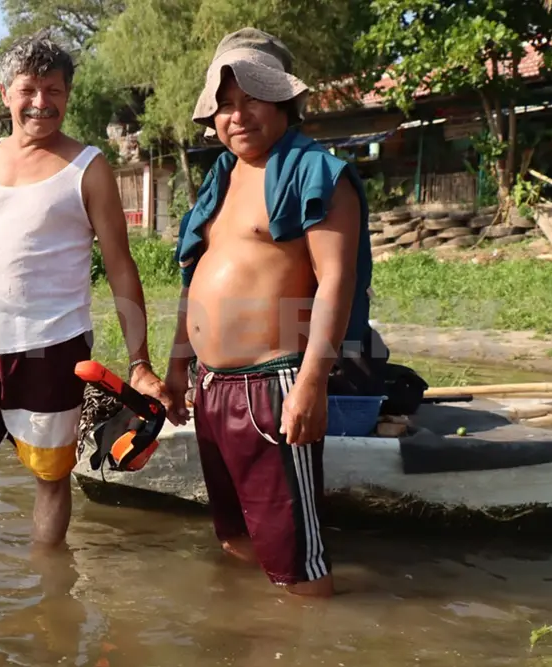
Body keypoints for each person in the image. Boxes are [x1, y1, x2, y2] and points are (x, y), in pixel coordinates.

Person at [0, 32, 169, 548]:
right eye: (29, 89)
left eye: (54, 90)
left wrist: (139, 362)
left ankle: (51, 595)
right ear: (5, 92)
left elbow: (120, 266)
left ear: (67, 95)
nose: (41, 103)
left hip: (52, 347)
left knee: (50, 478)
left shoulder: (88, 166)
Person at [162, 28, 375, 598]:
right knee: (235, 538)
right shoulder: (221, 181)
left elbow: (337, 280)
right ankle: (255, 634)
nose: (238, 115)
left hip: (271, 387)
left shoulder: (315, 173)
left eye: (252, 98)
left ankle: (315, 637)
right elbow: (195, 281)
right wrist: (177, 369)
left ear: (283, 102)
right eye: (225, 105)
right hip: (211, 386)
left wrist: (310, 385)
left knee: (298, 561)